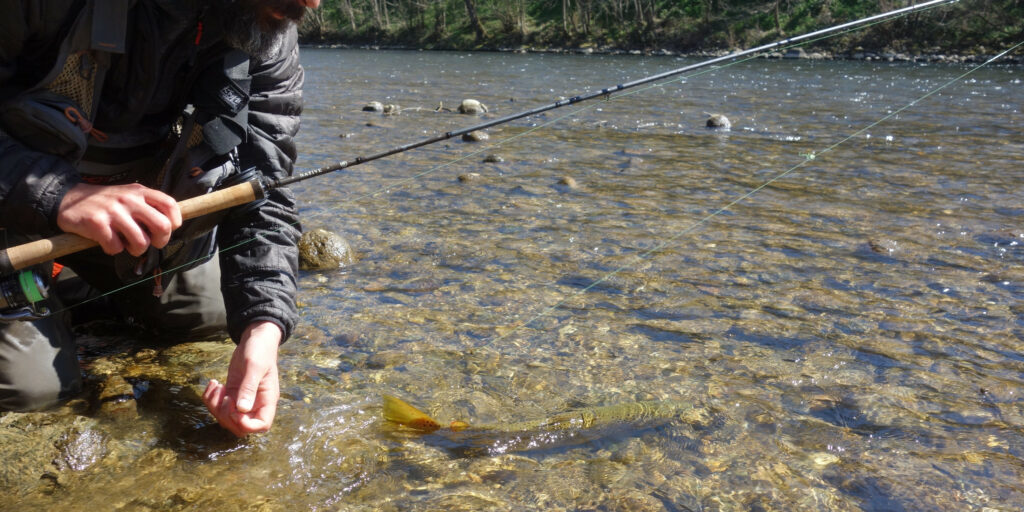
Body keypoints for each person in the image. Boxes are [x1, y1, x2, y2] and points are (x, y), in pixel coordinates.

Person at [0, 0, 321, 437]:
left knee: (211, 313)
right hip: (13, 205)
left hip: (121, 221)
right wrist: (58, 195)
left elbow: (262, 187)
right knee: (35, 393)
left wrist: (264, 326)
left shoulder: (268, 20)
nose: (315, 3)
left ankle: (66, 292)